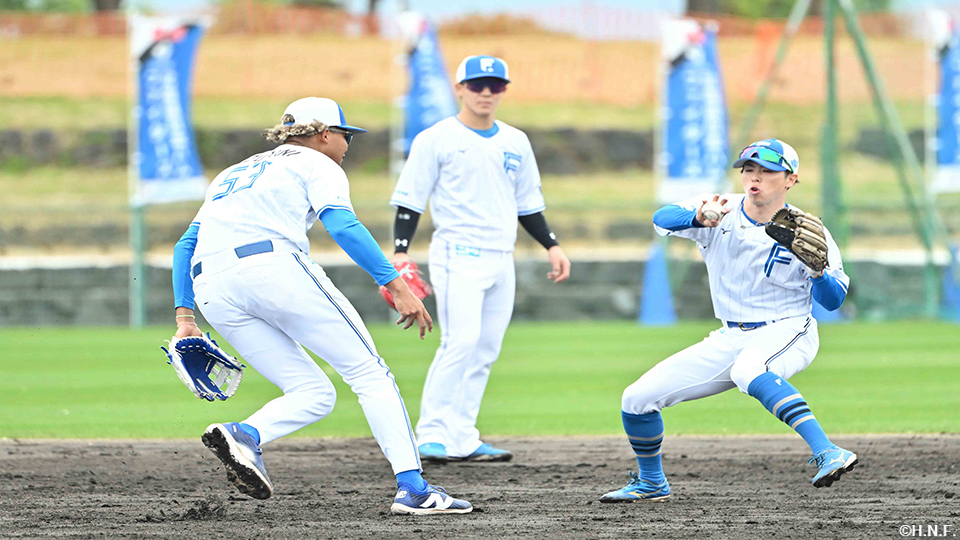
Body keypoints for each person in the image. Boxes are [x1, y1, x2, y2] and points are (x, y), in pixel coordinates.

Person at [171, 97, 472, 515]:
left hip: (212, 288)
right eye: (345, 135)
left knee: (313, 393)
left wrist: (185, 317)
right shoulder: (318, 164)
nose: (348, 145)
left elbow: (185, 245)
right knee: (370, 374)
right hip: (273, 268)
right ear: (324, 133)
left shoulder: (232, 172)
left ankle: (245, 433)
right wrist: (397, 285)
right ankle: (414, 489)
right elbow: (343, 225)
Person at [600, 139, 857, 502]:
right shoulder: (719, 208)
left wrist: (818, 272)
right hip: (729, 334)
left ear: (790, 179)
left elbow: (832, 302)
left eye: (767, 171)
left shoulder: (810, 231)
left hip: (788, 328)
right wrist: (698, 218)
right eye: (749, 169)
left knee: (749, 370)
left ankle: (828, 450)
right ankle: (651, 483)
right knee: (637, 398)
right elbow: (661, 219)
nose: (755, 178)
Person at [390, 55, 572, 463]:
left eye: (495, 85)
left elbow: (528, 204)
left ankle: (463, 436)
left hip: (500, 255)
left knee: (486, 348)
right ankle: (430, 434)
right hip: (458, 252)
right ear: (459, 89)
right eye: (477, 85)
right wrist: (400, 251)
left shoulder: (515, 141)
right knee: (461, 342)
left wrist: (552, 245)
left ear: (504, 90)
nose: (486, 92)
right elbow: (410, 201)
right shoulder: (435, 138)